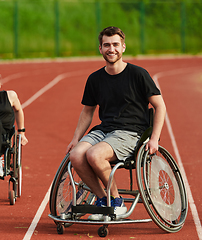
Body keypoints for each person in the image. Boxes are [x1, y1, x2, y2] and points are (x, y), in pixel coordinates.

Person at [66, 26, 166, 220]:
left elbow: (160, 106)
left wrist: (154, 139)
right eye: (106, 45)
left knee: (94, 155)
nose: (111, 49)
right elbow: (87, 111)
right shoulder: (95, 79)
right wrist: (75, 138)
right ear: (100, 49)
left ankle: (116, 200)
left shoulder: (138, 74)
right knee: (76, 155)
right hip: (104, 130)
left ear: (123, 47)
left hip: (131, 132)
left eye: (115, 45)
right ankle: (104, 199)